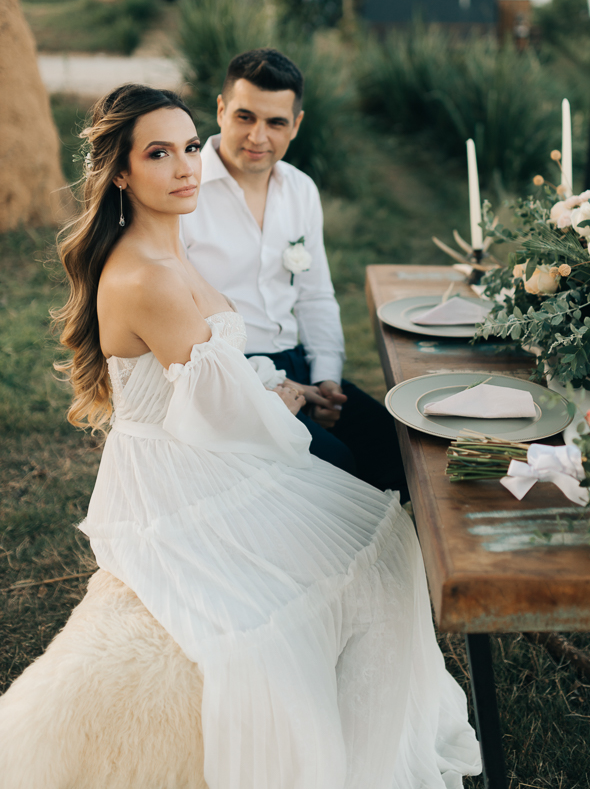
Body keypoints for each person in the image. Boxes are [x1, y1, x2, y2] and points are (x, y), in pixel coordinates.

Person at [53, 83, 481, 789]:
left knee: (384, 529)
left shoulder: (168, 244)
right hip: (180, 472)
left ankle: (370, 732)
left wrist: (280, 386)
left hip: (210, 439)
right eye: (159, 153)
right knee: (376, 542)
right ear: (121, 172)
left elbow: (216, 369)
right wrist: (282, 397)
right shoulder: (147, 274)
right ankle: (360, 760)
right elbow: (221, 415)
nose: (186, 165)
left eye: (189, 147)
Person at [180, 48, 408, 499]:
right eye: (245, 116)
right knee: (332, 468)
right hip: (230, 373)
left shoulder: (300, 190)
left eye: (276, 122)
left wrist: (326, 381)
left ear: (296, 125)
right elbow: (184, 327)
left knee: (396, 448)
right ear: (222, 110)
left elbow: (316, 295)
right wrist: (278, 387)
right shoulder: (185, 190)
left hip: (297, 360)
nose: (258, 136)